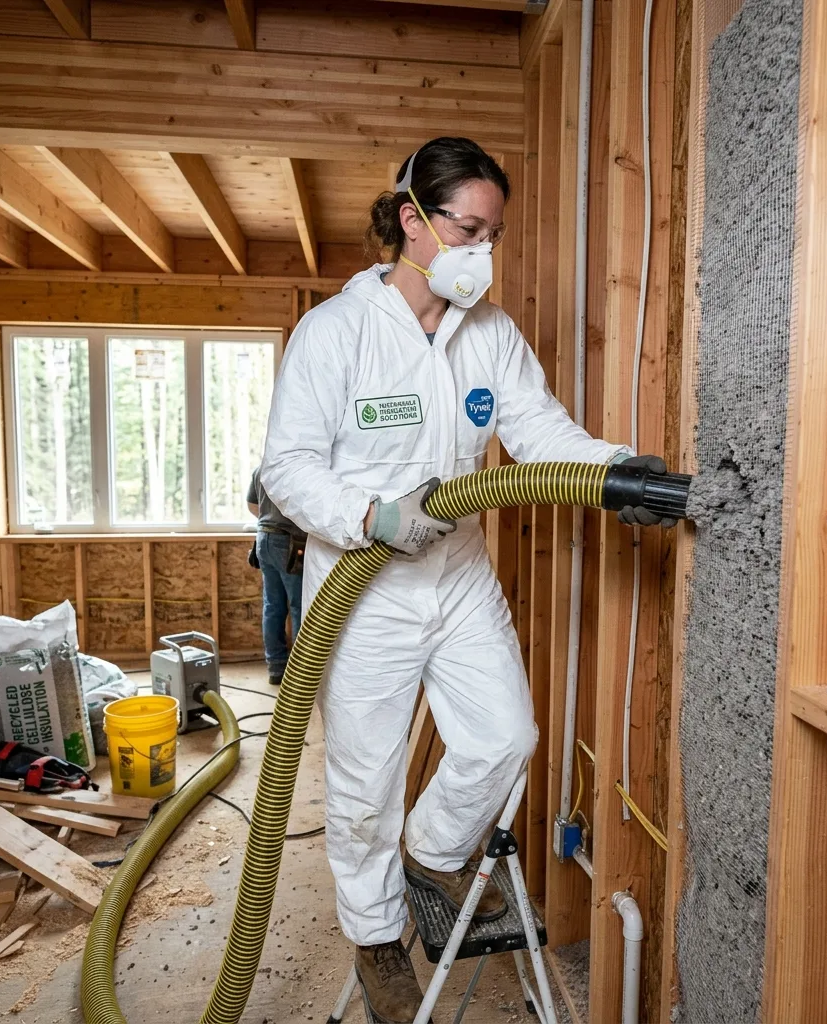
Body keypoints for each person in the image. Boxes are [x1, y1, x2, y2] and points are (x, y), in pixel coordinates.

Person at [260, 137, 671, 1023]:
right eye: (468, 229)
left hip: (457, 577)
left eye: (496, 234)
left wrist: (619, 472)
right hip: (362, 594)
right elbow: (288, 467)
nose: (483, 251)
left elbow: (542, 437)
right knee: (364, 783)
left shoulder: (492, 337)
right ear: (412, 220)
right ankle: (376, 940)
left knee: (506, 738)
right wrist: (372, 516)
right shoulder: (336, 334)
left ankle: (430, 854)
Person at [247, 464, 306, 686]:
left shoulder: (261, 469)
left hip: (264, 538)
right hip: (290, 541)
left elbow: (253, 505)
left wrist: (269, 516)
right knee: (299, 606)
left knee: (272, 606)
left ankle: (277, 668)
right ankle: (301, 674)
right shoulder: (296, 468)